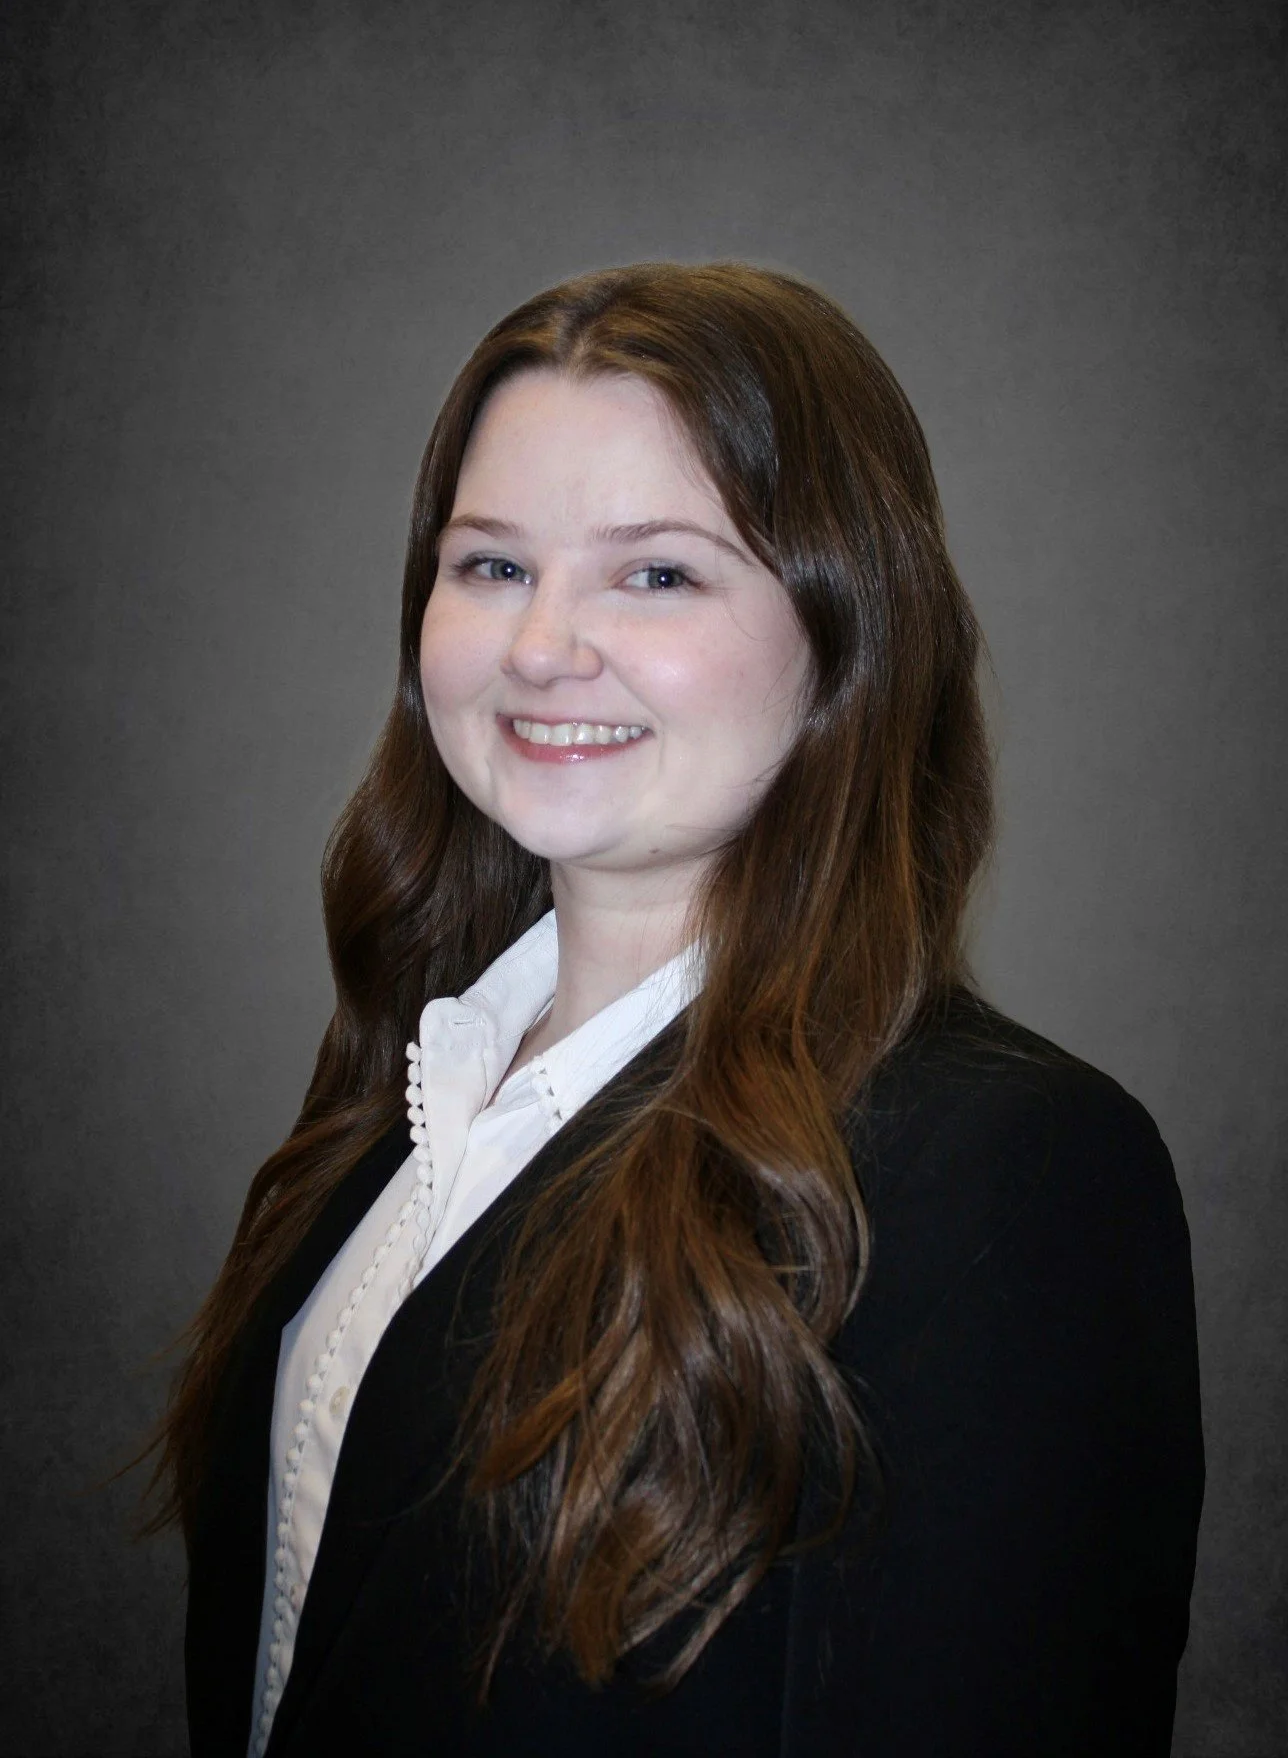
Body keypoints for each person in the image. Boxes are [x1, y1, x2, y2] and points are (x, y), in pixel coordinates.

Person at [154, 263, 1203, 1756]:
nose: (540, 646)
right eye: (491, 565)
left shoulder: (1008, 1173)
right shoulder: (412, 1096)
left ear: (847, 631)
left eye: (656, 575)